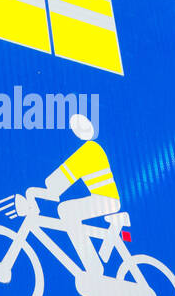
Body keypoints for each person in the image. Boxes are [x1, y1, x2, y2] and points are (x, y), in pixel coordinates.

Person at [28, 113, 120, 275]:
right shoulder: (90, 149)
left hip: (106, 199)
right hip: (102, 198)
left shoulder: (90, 150)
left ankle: (94, 268)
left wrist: (47, 191)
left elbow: (61, 178)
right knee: (67, 211)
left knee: (66, 211)